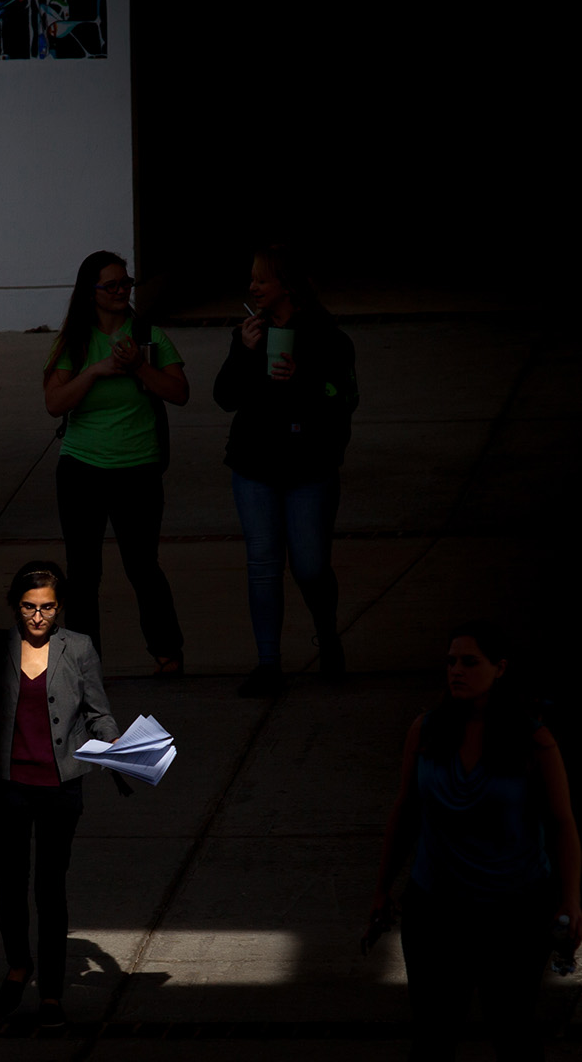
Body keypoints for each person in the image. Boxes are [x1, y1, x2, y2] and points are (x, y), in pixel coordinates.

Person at [366, 622, 581, 1060]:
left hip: (514, 912)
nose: (456, 671)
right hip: (436, 910)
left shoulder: (533, 740)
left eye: (469, 662)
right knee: (432, 1035)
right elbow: (405, 812)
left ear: (499, 669)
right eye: (450, 662)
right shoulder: (425, 731)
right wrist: (381, 888)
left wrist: (570, 899)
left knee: (513, 1030)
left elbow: (562, 823)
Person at [0, 561, 119, 1025]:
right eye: (28, 607)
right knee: (10, 884)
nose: (38, 617)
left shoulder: (78, 648)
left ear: (59, 607)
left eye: (47, 607)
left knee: (51, 888)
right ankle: (20, 964)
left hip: (62, 788)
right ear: (15, 606)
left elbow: (98, 711)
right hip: (9, 787)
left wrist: (117, 741)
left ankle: (53, 994)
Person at [212, 243, 357, 697]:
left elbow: (343, 396)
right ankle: (268, 663)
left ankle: (327, 635)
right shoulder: (250, 332)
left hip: (309, 467)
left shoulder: (325, 335)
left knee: (311, 566)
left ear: (286, 286)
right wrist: (244, 351)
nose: (252, 287)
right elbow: (224, 396)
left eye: (260, 279)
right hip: (255, 466)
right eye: (251, 280)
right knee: (263, 564)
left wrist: (304, 377)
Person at [43, 251, 188, 674]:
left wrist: (139, 367)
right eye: (112, 285)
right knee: (83, 573)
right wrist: (96, 371)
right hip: (81, 469)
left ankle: (168, 652)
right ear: (91, 293)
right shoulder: (74, 341)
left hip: (137, 468)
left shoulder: (147, 335)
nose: (122, 291)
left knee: (142, 565)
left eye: (126, 283)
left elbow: (180, 392)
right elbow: (54, 403)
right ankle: (87, 666)